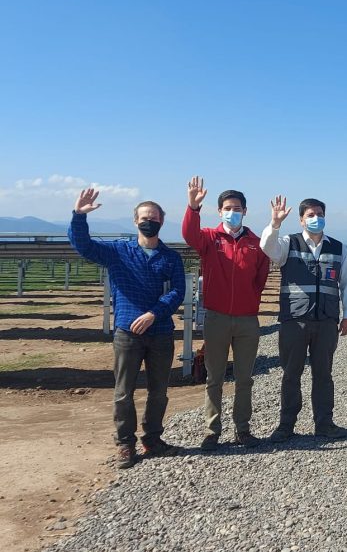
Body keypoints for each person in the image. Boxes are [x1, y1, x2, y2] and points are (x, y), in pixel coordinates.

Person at [68, 188, 185, 469]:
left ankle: (153, 439)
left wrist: (154, 314)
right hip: (127, 332)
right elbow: (83, 246)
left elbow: (178, 291)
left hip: (160, 332)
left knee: (159, 391)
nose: (150, 221)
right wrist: (79, 217)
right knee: (123, 392)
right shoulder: (118, 252)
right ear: (136, 221)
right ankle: (125, 443)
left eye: (154, 217)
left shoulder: (170, 257)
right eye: (145, 217)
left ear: (162, 221)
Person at [182, 176, 270, 451]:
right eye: (227, 208)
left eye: (237, 208)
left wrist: (249, 303)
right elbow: (189, 235)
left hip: (247, 320)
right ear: (220, 211)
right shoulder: (209, 237)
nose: (232, 212)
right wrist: (192, 208)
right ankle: (212, 430)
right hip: (217, 317)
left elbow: (260, 278)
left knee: (245, 378)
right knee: (214, 377)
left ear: (245, 211)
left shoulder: (256, 243)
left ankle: (243, 429)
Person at [260, 195, 347, 441]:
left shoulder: (338, 247)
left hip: (326, 321)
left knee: (323, 374)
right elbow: (267, 247)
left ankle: (324, 423)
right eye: (311, 215)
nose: (316, 219)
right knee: (291, 373)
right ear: (301, 220)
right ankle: (286, 425)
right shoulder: (286, 243)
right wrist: (275, 223)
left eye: (320, 214)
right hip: (294, 319)